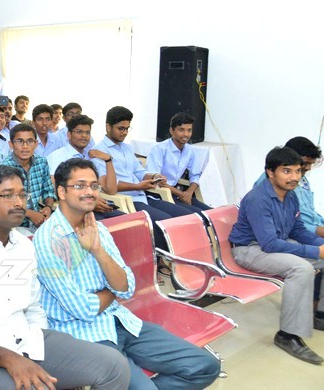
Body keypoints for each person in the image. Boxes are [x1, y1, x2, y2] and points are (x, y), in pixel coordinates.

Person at [0, 164, 130, 390]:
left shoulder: (24, 247)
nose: (19, 203)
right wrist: (11, 359)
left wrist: (38, 352)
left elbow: (34, 309)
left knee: (114, 366)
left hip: (27, 342)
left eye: (22, 195)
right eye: (8, 196)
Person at [35, 158, 220, 389]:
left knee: (206, 366)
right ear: (61, 192)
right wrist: (113, 289)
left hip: (122, 321)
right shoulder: (47, 240)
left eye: (94, 186)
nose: (89, 192)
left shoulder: (99, 229)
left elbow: (127, 286)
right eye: (80, 185)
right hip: (85, 335)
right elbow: (82, 309)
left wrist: (98, 250)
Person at [230, 146, 324, 364]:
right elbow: (270, 244)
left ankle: (320, 315)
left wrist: (321, 245)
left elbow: (297, 230)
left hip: (274, 244)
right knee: (302, 268)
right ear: (270, 172)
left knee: (316, 258)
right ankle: (288, 335)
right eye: (287, 171)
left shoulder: (290, 196)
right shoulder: (257, 198)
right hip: (249, 249)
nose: (294, 177)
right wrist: (316, 250)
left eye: (298, 171)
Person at [92, 106, 194, 248]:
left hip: (143, 195)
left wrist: (153, 176)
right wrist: (138, 186)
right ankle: (162, 261)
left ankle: (178, 256)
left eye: (127, 129)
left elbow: (139, 172)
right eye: (121, 128)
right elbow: (108, 185)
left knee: (182, 218)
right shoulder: (99, 151)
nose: (125, 133)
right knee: (165, 222)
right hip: (126, 200)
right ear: (108, 127)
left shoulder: (126, 147)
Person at [147, 112, 210, 212]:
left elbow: (195, 175)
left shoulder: (190, 150)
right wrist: (182, 194)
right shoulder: (158, 149)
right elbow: (156, 180)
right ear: (171, 131)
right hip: (159, 194)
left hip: (178, 193)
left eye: (189, 130)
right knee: (195, 216)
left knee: (210, 212)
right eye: (181, 130)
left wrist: (189, 193)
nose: (186, 134)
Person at [0, 124, 57, 230]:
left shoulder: (41, 162)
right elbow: (3, 202)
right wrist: (30, 214)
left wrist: (48, 207)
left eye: (30, 141)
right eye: (20, 141)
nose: (25, 146)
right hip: (12, 225)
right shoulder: (5, 168)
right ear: (11, 144)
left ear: (36, 144)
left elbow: (48, 190)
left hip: (38, 221)